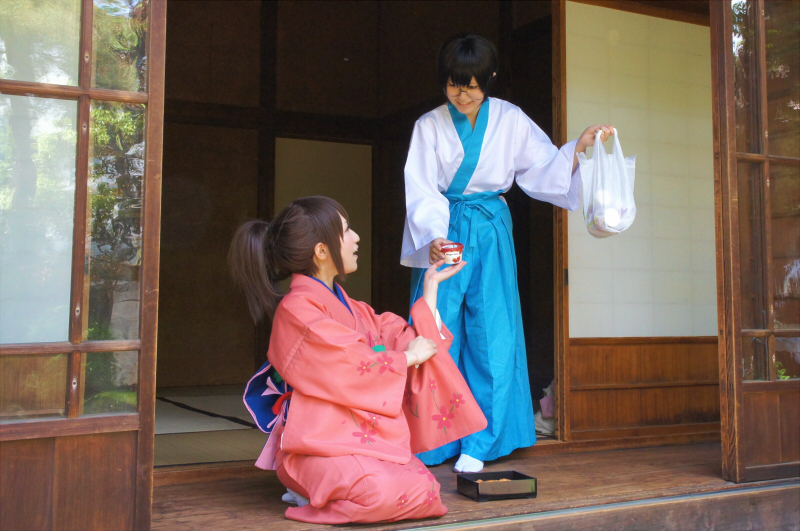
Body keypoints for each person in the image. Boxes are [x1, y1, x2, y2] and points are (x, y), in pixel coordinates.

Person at [402, 33, 614, 473]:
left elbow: (541, 167)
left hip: (492, 229)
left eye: (473, 85)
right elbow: (421, 186)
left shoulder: (511, 119)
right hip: (446, 229)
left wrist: (578, 148)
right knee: (436, 328)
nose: (463, 94)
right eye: (454, 85)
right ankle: (432, 440)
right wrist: (434, 235)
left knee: (491, 331)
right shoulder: (428, 126)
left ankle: (480, 441)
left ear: (490, 79)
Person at [230, 196, 487, 525]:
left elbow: (397, 333)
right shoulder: (296, 309)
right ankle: (308, 494)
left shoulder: (353, 308)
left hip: (357, 437)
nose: (356, 238)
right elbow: (349, 361)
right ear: (322, 251)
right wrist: (406, 357)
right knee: (377, 494)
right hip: (315, 443)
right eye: (346, 230)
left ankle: (326, 491)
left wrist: (431, 290)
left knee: (425, 490)